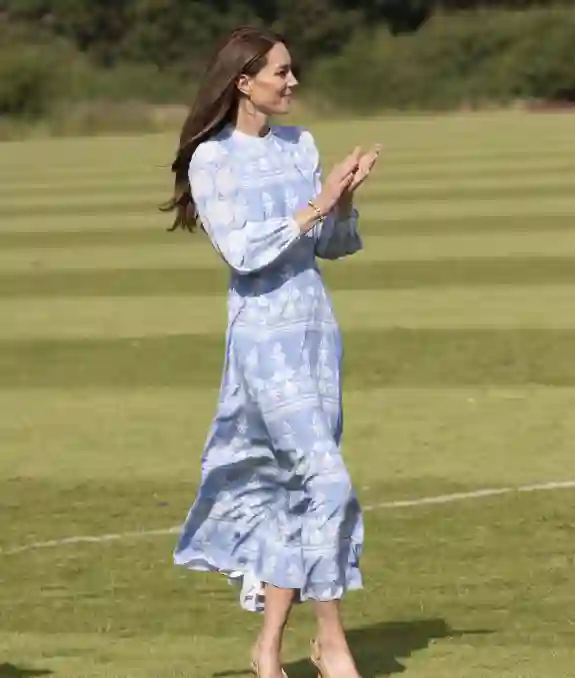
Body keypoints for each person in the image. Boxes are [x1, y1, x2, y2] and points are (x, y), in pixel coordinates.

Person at [161, 25, 381, 678]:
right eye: (281, 72)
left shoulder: (300, 144)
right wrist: (315, 204)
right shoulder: (212, 159)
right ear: (244, 82)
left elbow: (331, 246)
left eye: (292, 71)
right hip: (261, 340)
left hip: (314, 332)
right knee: (329, 483)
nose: (293, 82)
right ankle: (334, 643)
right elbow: (244, 252)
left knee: (297, 493)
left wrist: (342, 202)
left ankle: (267, 651)